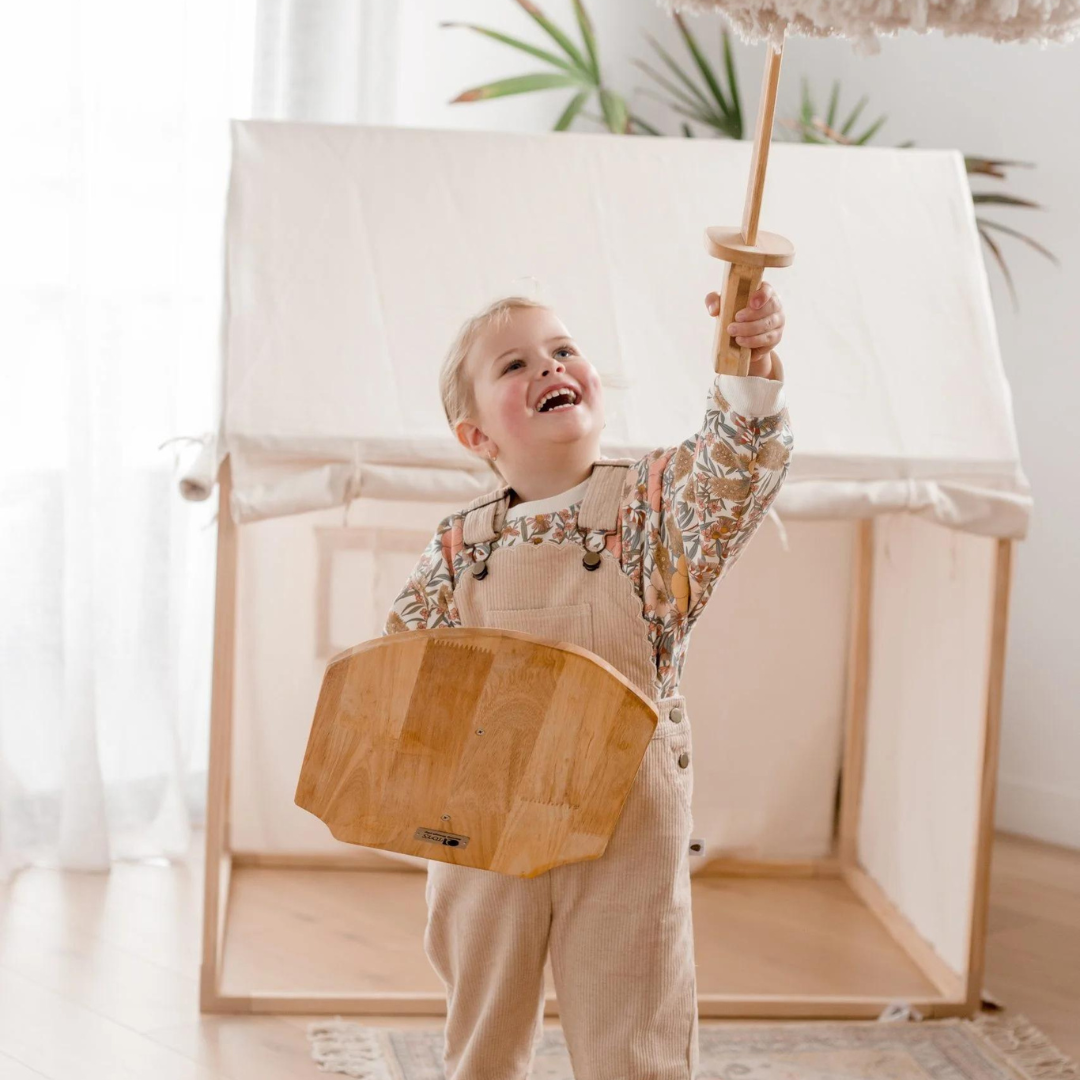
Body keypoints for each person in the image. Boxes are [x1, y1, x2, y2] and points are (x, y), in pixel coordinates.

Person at [382, 284, 792, 1080]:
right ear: (474, 434)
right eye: (515, 363)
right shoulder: (458, 548)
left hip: (624, 818)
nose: (550, 365)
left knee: (634, 1024)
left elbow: (734, 469)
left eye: (563, 350)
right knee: (482, 1027)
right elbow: (406, 672)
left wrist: (750, 361)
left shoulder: (657, 507)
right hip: (484, 821)